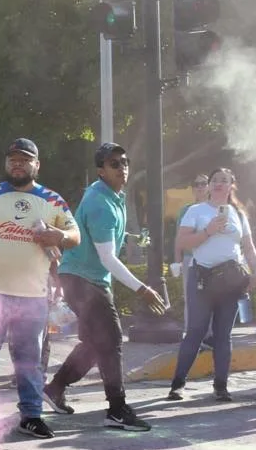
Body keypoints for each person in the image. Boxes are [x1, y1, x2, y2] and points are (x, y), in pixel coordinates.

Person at [0, 138, 79, 442]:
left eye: (25, 160)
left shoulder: (52, 200)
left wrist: (58, 234)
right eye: (13, 159)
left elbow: (75, 235)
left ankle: (31, 416)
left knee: (29, 362)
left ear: (37, 165)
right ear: (6, 164)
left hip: (34, 296)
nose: (18, 164)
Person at [43, 143, 167, 431]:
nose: (122, 168)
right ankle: (117, 408)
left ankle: (55, 388)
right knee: (111, 340)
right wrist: (142, 289)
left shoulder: (112, 196)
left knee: (96, 344)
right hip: (83, 279)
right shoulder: (101, 202)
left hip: (86, 277)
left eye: (125, 162)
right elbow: (107, 258)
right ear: (101, 170)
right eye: (114, 163)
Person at [167, 168, 256, 402]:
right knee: (196, 331)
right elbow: (182, 241)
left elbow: (248, 246)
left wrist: (255, 271)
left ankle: (221, 386)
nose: (219, 184)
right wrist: (208, 231)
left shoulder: (238, 213)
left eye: (224, 181)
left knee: (223, 335)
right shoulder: (196, 211)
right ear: (208, 186)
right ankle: (177, 384)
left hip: (230, 280)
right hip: (202, 277)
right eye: (215, 180)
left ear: (232, 185)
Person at [173, 175, 209, 333]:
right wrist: (177, 260)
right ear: (193, 189)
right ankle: (190, 332)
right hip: (190, 257)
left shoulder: (216, 209)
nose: (200, 187)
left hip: (211, 259)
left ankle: (209, 333)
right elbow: (178, 237)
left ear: (209, 187)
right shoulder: (185, 210)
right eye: (196, 184)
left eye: (203, 183)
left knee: (210, 297)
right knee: (190, 297)